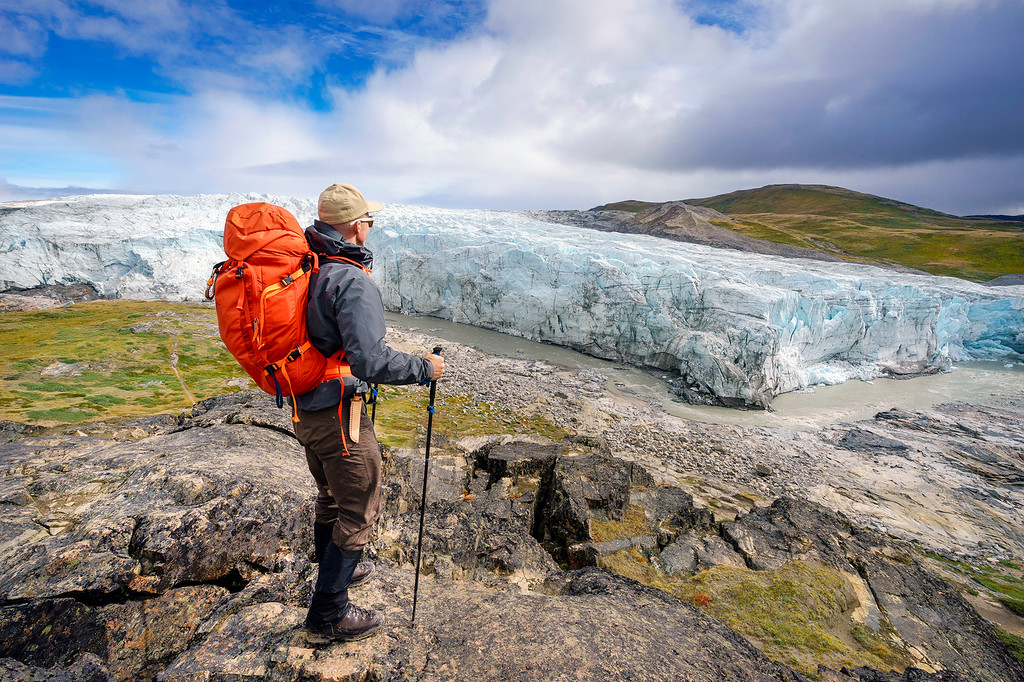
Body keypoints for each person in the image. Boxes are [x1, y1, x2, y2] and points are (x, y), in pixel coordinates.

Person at [295, 182, 444, 642]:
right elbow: (370, 361)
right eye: (369, 221)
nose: (370, 228)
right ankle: (327, 616)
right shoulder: (350, 279)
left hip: (306, 407)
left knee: (331, 498)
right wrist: (425, 367)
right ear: (358, 225)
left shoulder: (307, 266)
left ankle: (330, 576)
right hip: (340, 415)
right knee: (359, 510)